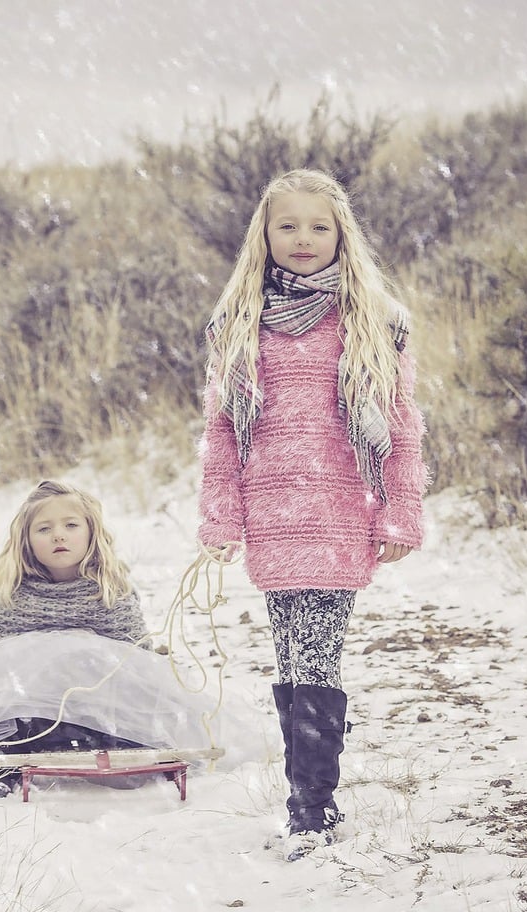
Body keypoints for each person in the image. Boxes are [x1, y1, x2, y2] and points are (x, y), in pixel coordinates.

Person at [197, 168, 428, 860]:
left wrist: (399, 515)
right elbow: (220, 431)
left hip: (336, 511)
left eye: (319, 226)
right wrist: (220, 517)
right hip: (272, 510)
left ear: (341, 235)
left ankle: (312, 805)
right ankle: (307, 796)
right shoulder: (239, 321)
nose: (303, 238)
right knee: (288, 654)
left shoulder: (376, 322)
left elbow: (402, 426)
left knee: (317, 654)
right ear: (263, 235)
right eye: (288, 225)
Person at [0, 479, 156, 796]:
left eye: (71, 525)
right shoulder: (12, 604)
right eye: (44, 529)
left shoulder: (111, 598)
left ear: (91, 534)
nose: (58, 535)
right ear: (26, 542)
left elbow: (138, 663)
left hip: (99, 714)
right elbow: (0, 671)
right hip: (35, 718)